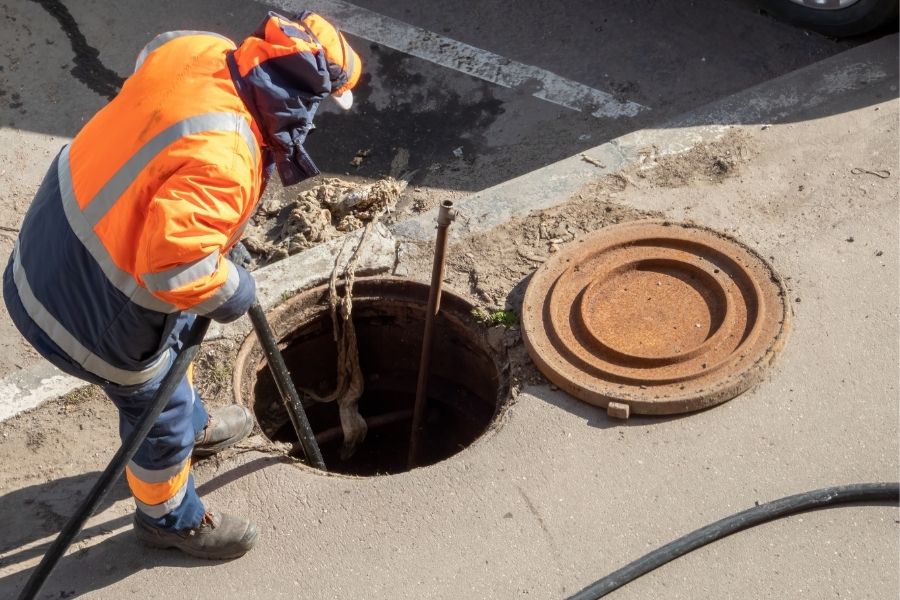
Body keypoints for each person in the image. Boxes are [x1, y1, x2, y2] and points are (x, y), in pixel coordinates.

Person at [3, 11, 361, 560]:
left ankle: (194, 426)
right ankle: (168, 519)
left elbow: (151, 67)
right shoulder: (228, 158)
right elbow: (174, 271)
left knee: (177, 343)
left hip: (54, 240)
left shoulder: (200, 49)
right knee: (158, 418)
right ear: (302, 98)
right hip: (90, 307)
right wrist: (235, 290)